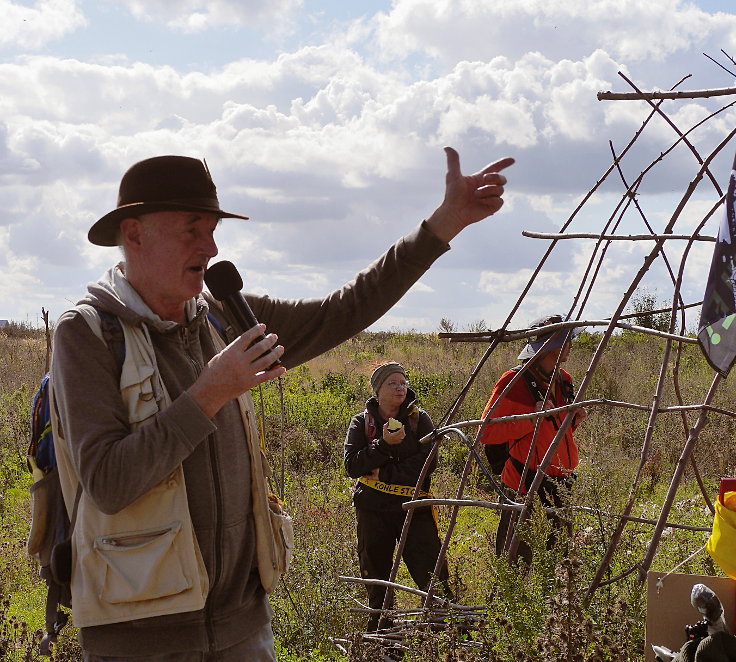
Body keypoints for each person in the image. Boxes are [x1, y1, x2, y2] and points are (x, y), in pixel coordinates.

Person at [49, 149, 513, 661]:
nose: (211, 245)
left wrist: (444, 224)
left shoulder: (225, 316)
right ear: (134, 234)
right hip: (140, 640)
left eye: (212, 229)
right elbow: (109, 483)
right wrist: (210, 392)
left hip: (243, 629)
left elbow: (345, 309)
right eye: (192, 229)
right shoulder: (87, 334)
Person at [344, 362, 451, 632]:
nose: (400, 388)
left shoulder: (419, 419)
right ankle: (383, 632)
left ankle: (446, 630)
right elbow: (352, 466)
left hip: (414, 508)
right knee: (376, 572)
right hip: (372, 509)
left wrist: (383, 474)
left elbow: (426, 464)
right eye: (392, 383)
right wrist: (383, 445)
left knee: (431, 571)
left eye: (403, 382)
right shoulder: (361, 423)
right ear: (378, 390)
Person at [477, 314, 586, 564]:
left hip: (561, 484)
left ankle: (555, 603)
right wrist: (532, 417)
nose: (570, 346)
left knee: (559, 561)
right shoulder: (514, 380)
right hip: (525, 483)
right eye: (566, 341)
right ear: (554, 346)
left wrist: (574, 420)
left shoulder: (563, 379)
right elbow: (487, 432)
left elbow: (553, 434)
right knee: (516, 562)